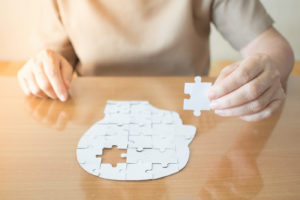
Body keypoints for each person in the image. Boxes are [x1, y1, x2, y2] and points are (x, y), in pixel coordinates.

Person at [17, 0, 294, 122]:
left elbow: (272, 46)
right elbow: (51, 60)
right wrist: (42, 69)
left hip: (188, 122)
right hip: (94, 121)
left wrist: (268, 67)